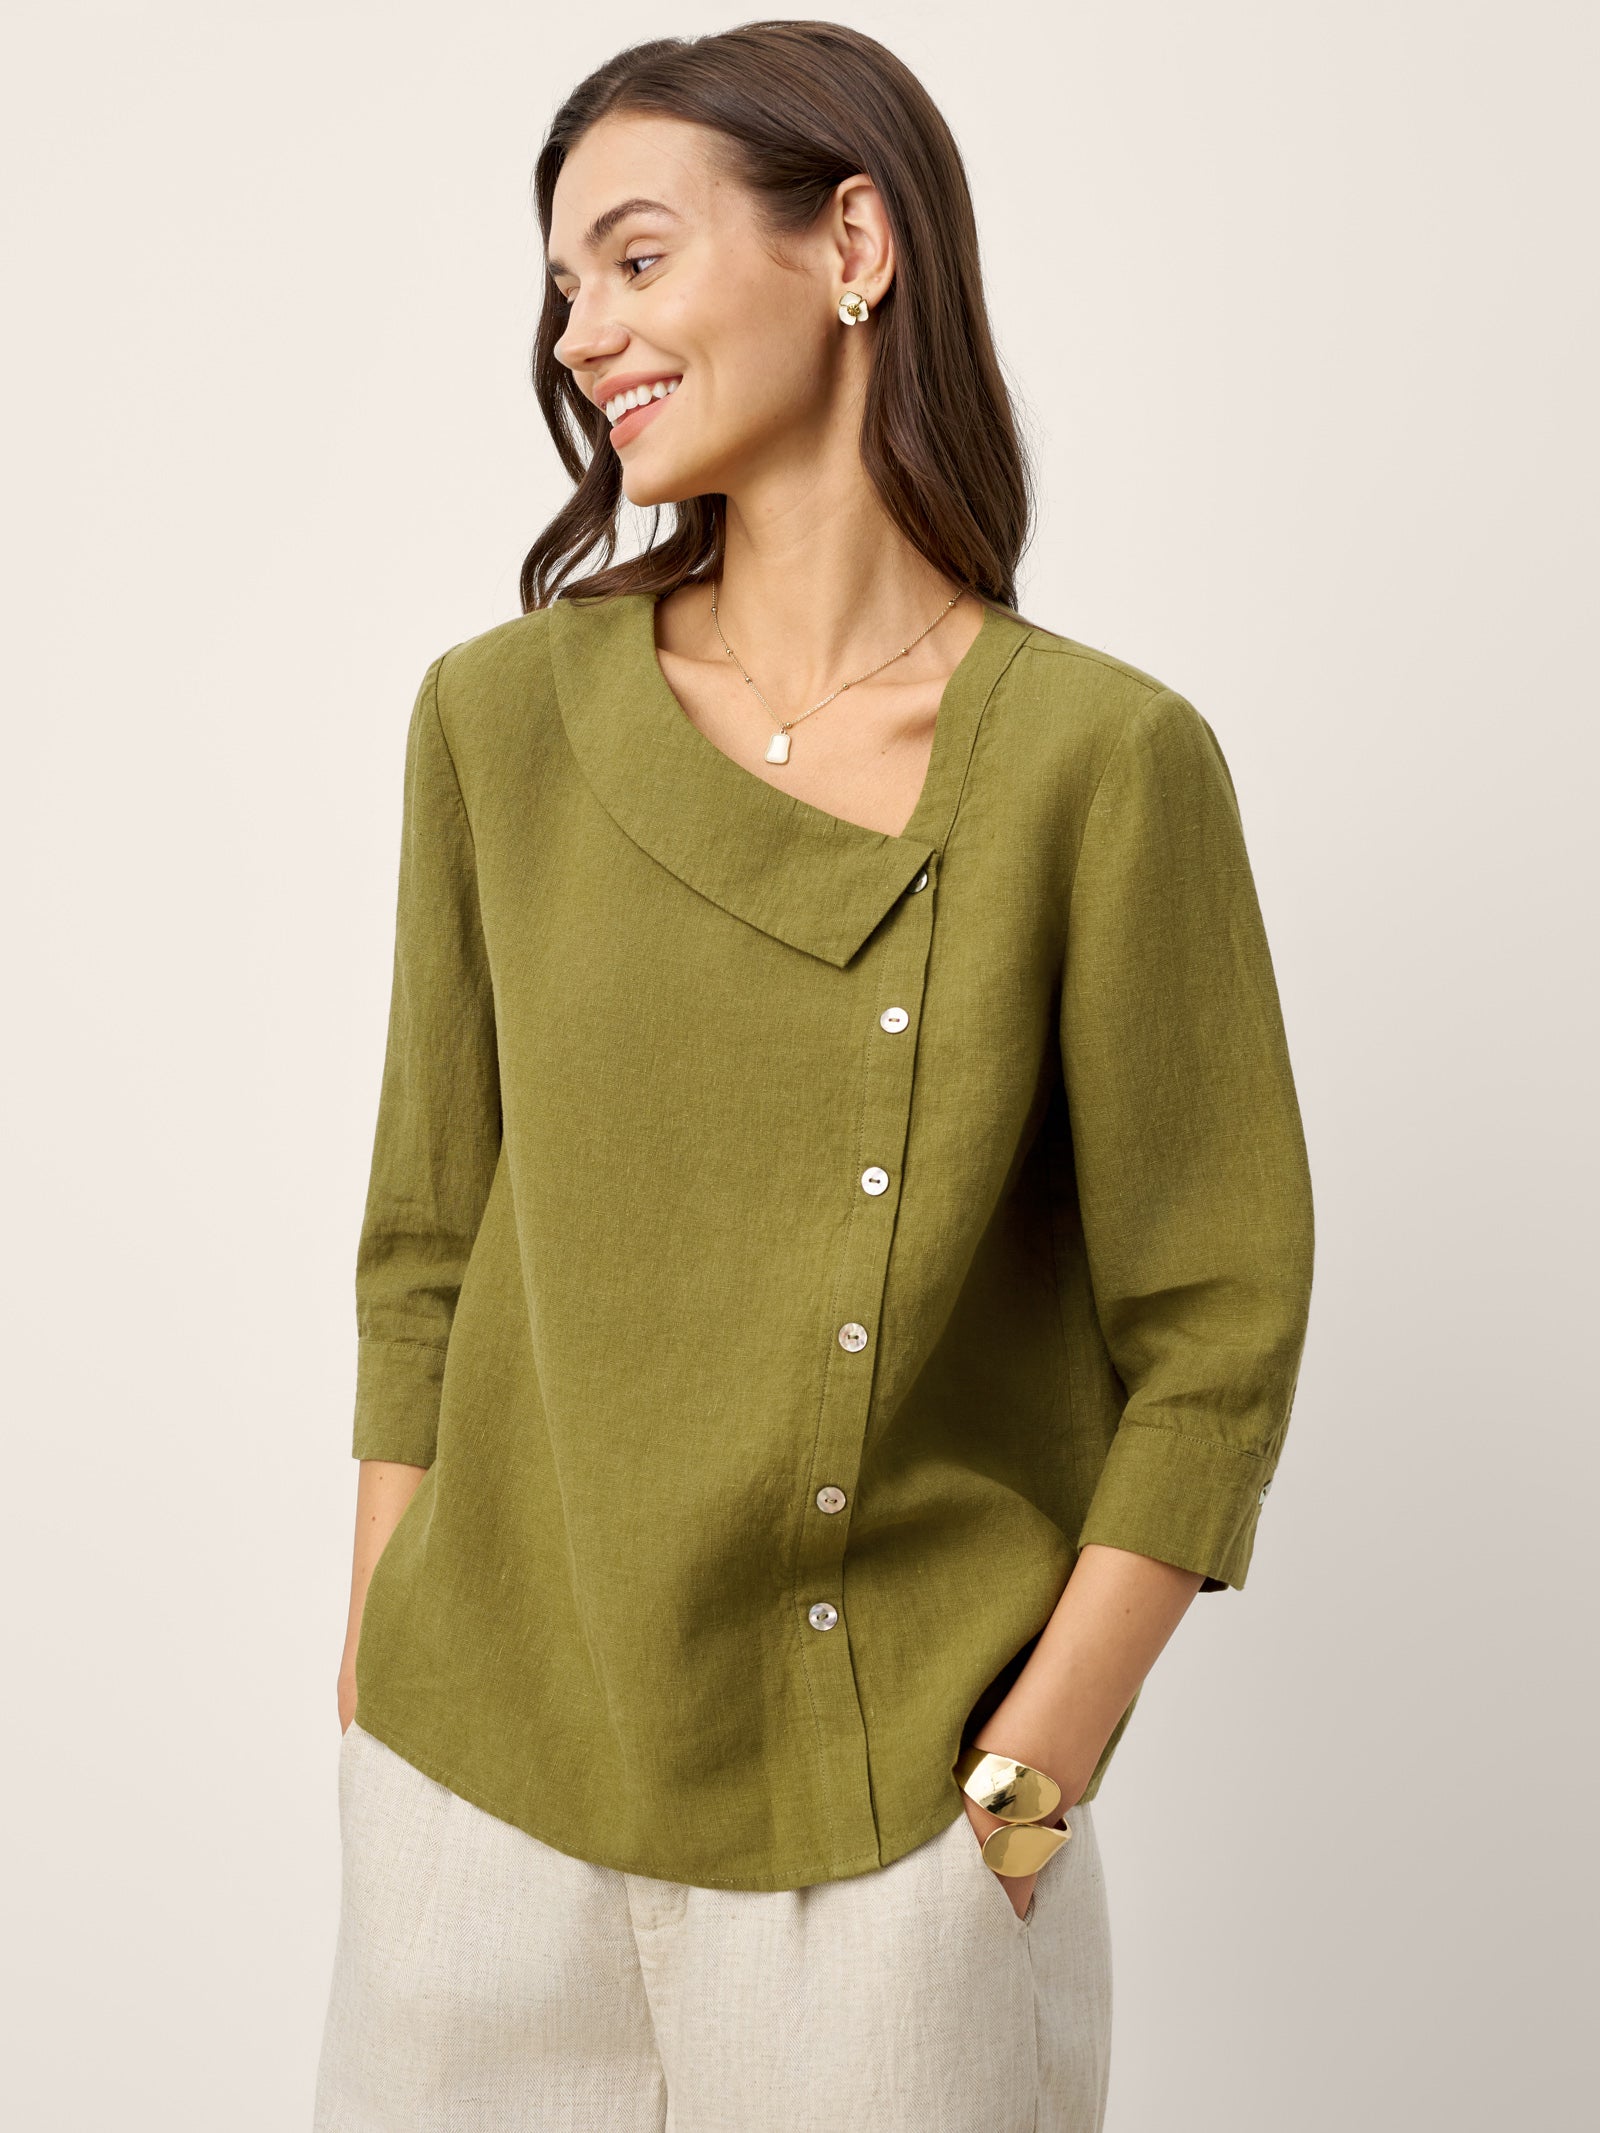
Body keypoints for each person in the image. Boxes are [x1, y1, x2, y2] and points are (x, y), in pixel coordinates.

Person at [312, 21, 1315, 2132]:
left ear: (852, 243)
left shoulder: (1099, 764)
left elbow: (1215, 1324)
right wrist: (377, 1673)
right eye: (561, 285)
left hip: (885, 1840)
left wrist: (1030, 1777)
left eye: (635, 257)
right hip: (471, 1799)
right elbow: (424, 1239)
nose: (582, 333)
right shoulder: (493, 722)